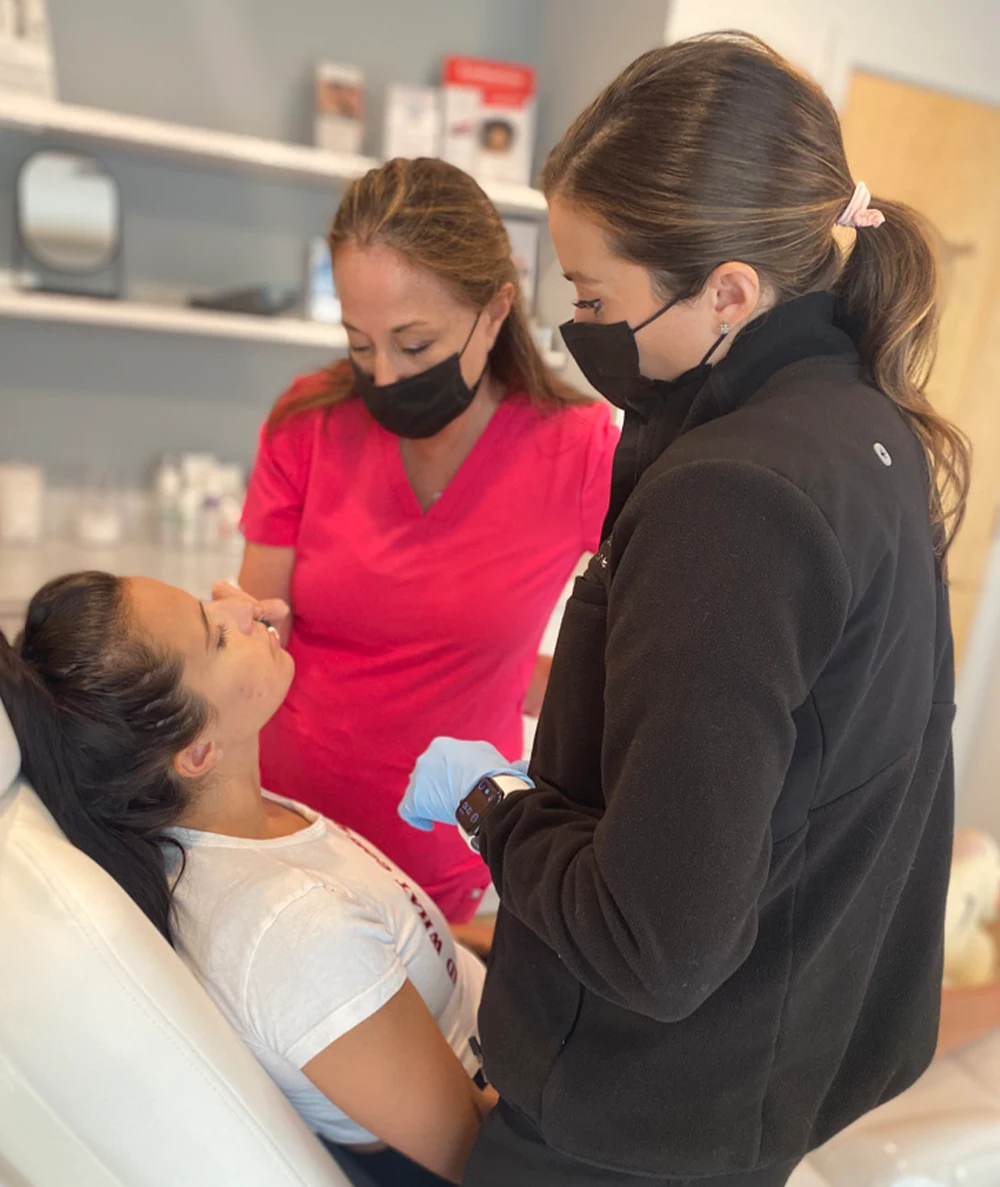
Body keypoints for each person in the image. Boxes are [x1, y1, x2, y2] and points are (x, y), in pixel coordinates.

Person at [399, 33, 970, 1187]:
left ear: (728, 291)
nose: (579, 323)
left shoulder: (735, 494)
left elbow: (654, 944)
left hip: (633, 1126)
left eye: (596, 295)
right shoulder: (860, 427)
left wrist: (491, 799)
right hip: (746, 1080)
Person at [0, 572, 495, 1186]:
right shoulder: (293, 932)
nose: (241, 607)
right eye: (215, 635)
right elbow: (481, 1154)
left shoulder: (229, 822)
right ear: (198, 753)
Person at [226, 156, 616, 925]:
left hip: (441, 855)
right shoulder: (308, 421)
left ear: (496, 309)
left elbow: (646, 650)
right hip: (281, 826)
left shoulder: (577, 454)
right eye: (359, 342)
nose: (384, 373)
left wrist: (512, 687)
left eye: (414, 342)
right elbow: (262, 627)